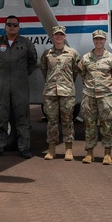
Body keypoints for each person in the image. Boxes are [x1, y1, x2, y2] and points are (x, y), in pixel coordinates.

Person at [0, 15, 38, 159]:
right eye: (9, 24)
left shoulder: (26, 43)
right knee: (0, 116)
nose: (12, 27)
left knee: (22, 116)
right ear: (5, 27)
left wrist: (21, 75)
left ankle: (24, 148)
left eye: (15, 25)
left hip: (20, 86)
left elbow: (32, 62)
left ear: (19, 27)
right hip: (2, 86)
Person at [78, 29, 112, 164]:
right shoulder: (85, 58)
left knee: (106, 124)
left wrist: (106, 89)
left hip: (105, 96)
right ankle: (89, 153)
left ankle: (107, 153)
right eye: (96, 39)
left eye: (101, 39)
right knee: (89, 124)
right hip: (89, 95)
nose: (98, 41)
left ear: (105, 40)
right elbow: (82, 75)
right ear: (93, 41)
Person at [40, 25, 81, 160]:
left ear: (64, 36)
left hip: (67, 92)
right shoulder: (47, 54)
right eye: (56, 35)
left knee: (67, 120)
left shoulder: (72, 54)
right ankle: (51, 150)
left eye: (61, 35)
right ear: (53, 37)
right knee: (52, 121)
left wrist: (66, 83)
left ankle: (68, 150)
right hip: (51, 92)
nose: (59, 37)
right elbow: (44, 70)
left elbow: (75, 71)